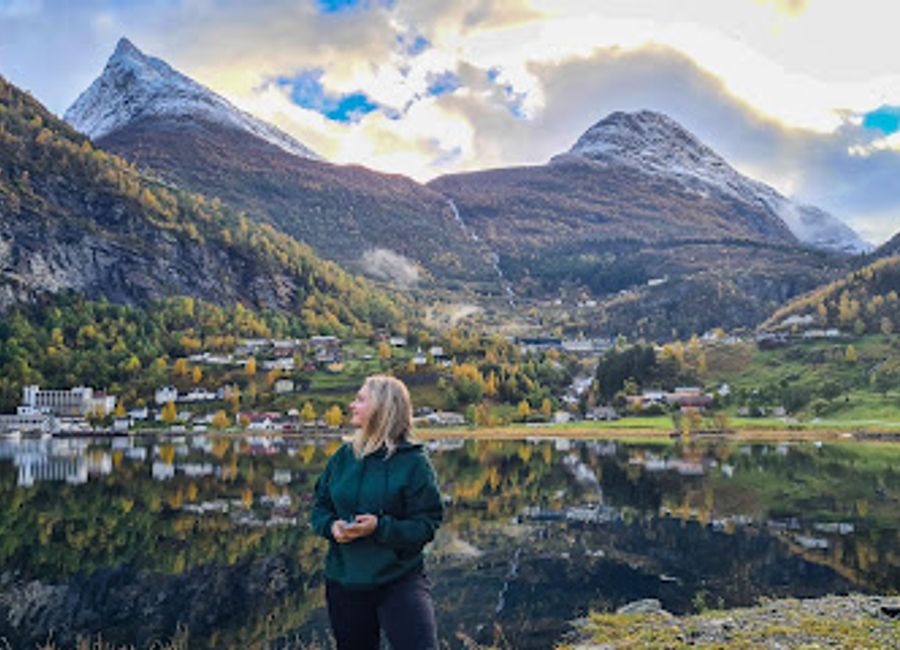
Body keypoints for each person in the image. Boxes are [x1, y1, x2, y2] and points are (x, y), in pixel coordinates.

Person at [310, 375, 444, 650]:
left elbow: (426, 524)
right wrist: (331, 527)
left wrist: (380, 528)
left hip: (400, 579)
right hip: (344, 581)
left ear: (383, 408)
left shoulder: (414, 463)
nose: (352, 405)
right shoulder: (343, 457)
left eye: (360, 399)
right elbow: (320, 506)